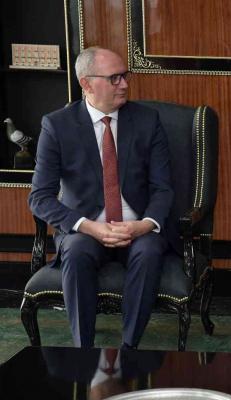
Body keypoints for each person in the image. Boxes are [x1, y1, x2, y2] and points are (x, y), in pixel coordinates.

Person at [28, 47, 174, 349]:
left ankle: (129, 348)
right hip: (87, 229)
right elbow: (39, 197)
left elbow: (163, 187)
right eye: (114, 78)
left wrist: (145, 225)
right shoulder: (57, 125)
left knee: (149, 251)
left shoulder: (147, 121)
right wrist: (88, 226)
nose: (124, 84)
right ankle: (83, 350)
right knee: (76, 250)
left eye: (125, 76)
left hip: (137, 229)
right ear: (87, 83)